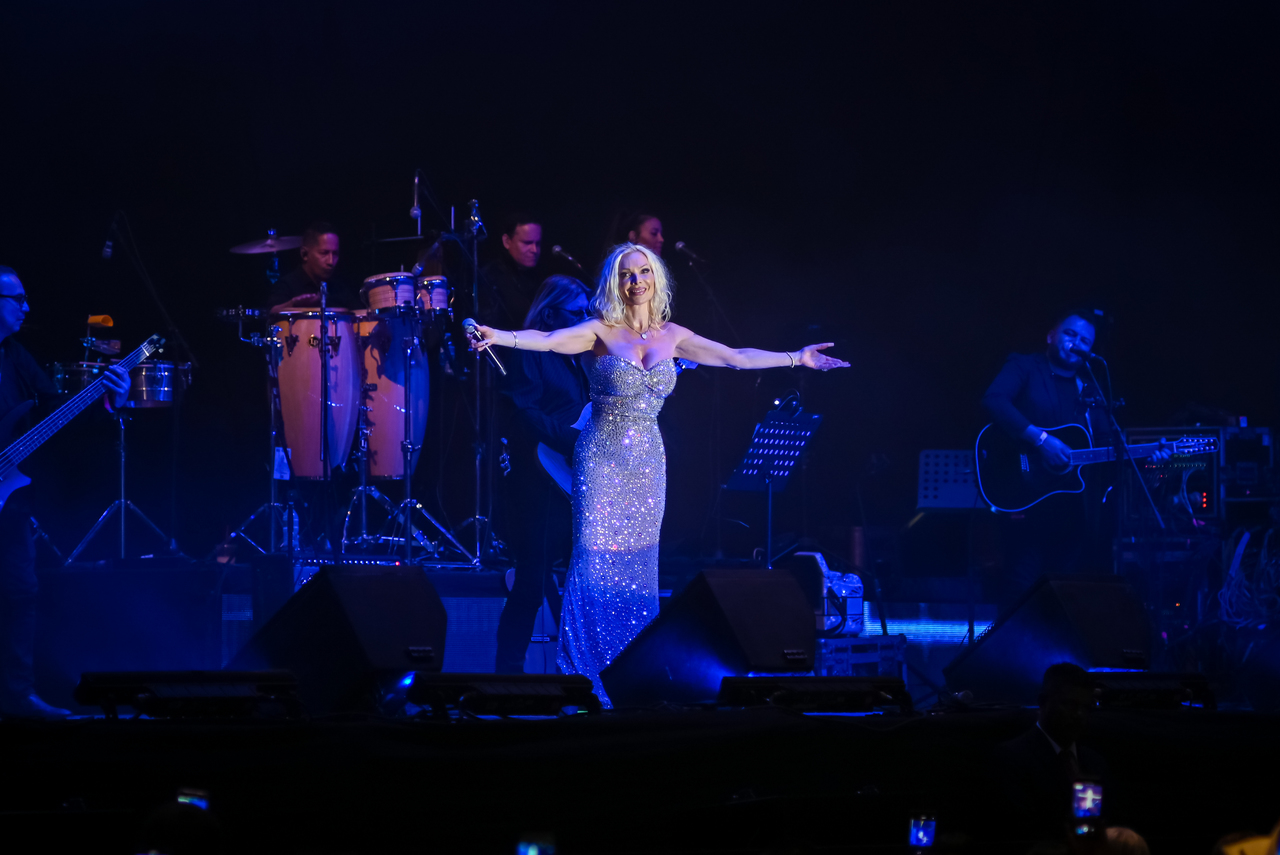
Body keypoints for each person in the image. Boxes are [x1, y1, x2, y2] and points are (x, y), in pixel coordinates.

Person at [470, 243, 849, 705]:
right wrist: (499, 335)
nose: (636, 281)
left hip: (647, 462)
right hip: (601, 457)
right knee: (593, 563)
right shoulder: (600, 331)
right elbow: (548, 341)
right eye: (627, 274)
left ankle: (635, 675)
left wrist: (796, 358)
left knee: (638, 568)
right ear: (615, 282)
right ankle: (585, 677)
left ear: (656, 278)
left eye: (644, 272)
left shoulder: (673, 335)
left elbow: (736, 357)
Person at [0, 266, 129, 719]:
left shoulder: (15, 355)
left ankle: (17, 698)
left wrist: (107, 400)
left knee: (19, 593)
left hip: (10, 500)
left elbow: (55, 414)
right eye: (17, 299)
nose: (27, 307)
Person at [981, 310, 1169, 608]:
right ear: (1051, 336)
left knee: (1065, 596)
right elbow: (994, 400)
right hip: (1024, 497)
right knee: (1020, 588)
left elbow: (1106, 449)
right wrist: (1041, 440)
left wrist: (1149, 460)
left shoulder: (1090, 388)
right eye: (1070, 334)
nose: (1077, 343)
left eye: (1085, 341)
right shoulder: (1025, 366)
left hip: (1071, 510)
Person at [493, 276, 592, 673]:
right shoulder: (532, 350)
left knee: (569, 584)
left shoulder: (578, 357)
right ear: (550, 314)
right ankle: (507, 675)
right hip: (535, 482)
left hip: (567, 481)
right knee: (531, 584)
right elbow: (524, 412)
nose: (586, 319)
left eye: (588, 312)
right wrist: (572, 441)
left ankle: (577, 673)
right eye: (577, 312)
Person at [993, 662, 1107, 842]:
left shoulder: (1096, 762)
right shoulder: (1010, 759)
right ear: (1042, 702)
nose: (1079, 714)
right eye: (1070, 705)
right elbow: (1018, 831)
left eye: (1086, 707)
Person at [267, 222, 360, 313]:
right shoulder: (287, 285)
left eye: (335, 254)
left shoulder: (340, 289)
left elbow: (359, 315)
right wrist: (293, 304)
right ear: (304, 254)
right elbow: (271, 313)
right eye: (324, 253)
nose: (331, 261)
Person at [478, 213, 543, 328]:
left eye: (537, 243)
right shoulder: (490, 277)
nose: (534, 250)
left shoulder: (541, 276)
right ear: (507, 241)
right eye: (527, 243)